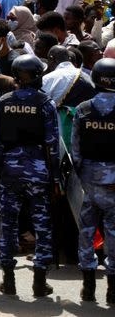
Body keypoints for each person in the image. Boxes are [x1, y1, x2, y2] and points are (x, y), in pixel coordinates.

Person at [0, 54, 60, 297]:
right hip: (38, 171)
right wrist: (55, 178)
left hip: (10, 171)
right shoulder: (45, 103)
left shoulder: (4, 101)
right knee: (42, 223)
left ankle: (8, 279)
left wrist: (0, 172)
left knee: (8, 224)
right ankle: (40, 281)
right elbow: (53, 144)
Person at [72, 58, 115, 304]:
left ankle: (88, 288)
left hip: (88, 182)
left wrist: (84, 179)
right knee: (113, 234)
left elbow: (75, 150)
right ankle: (112, 290)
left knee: (87, 232)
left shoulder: (83, 109)